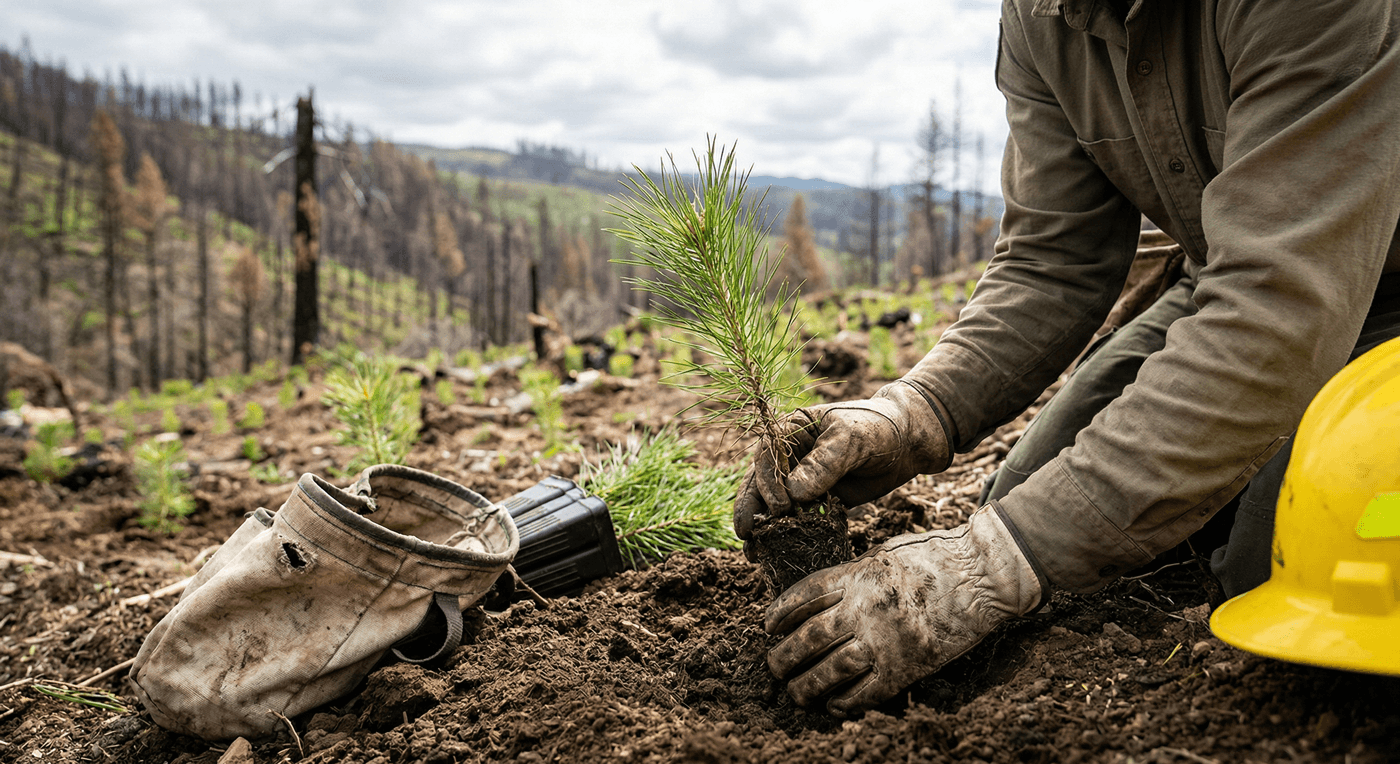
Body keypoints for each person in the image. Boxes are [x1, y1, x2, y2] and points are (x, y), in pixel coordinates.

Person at [734, 0, 1400, 718]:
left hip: (1332, 289)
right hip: (1233, 281)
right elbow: (1053, 262)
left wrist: (991, 562)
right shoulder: (1042, 16)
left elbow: (1278, 310)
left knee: (1274, 567)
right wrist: (909, 414)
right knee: (1024, 503)